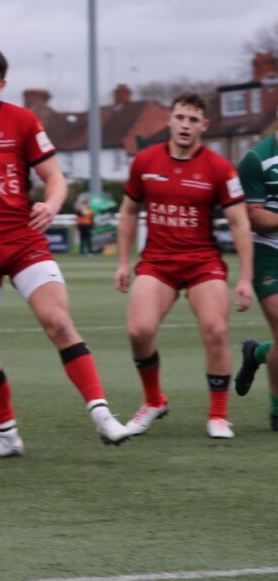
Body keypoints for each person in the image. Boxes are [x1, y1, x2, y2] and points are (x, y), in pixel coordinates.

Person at [0, 43, 129, 459]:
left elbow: (55, 178)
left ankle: (102, 413)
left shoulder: (23, 121)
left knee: (59, 323)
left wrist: (51, 202)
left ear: (1, 85)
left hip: (23, 240)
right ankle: (8, 435)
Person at [115, 92, 253, 438]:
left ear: (204, 126)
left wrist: (246, 278)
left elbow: (239, 223)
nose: (185, 125)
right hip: (158, 263)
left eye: (193, 120)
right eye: (180, 118)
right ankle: (153, 401)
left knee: (217, 331)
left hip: (202, 263)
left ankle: (218, 415)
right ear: (170, 120)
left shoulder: (220, 169)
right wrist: (122, 261)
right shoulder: (145, 162)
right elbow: (129, 211)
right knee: (138, 331)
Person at [233, 106, 278, 431]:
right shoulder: (256, 159)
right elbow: (255, 216)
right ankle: (277, 411)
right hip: (268, 256)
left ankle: (257, 353)